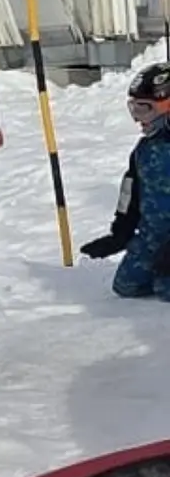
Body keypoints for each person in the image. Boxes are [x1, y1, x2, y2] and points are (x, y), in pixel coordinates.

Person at [80, 62, 170, 300]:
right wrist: (120, 233)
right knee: (126, 286)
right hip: (154, 236)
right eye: (134, 110)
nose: (139, 119)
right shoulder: (145, 150)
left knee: (165, 289)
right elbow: (130, 193)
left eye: (145, 109)